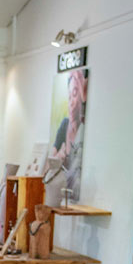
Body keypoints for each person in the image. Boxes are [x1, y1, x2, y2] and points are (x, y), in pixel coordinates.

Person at [48, 68, 87, 199]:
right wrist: (59, 156)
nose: (71, 101)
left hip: (71, 193)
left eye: (75, 93)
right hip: (58, 192)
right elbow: (51, 161)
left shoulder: (84, 130)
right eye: (69, 95)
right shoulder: (64, 125)